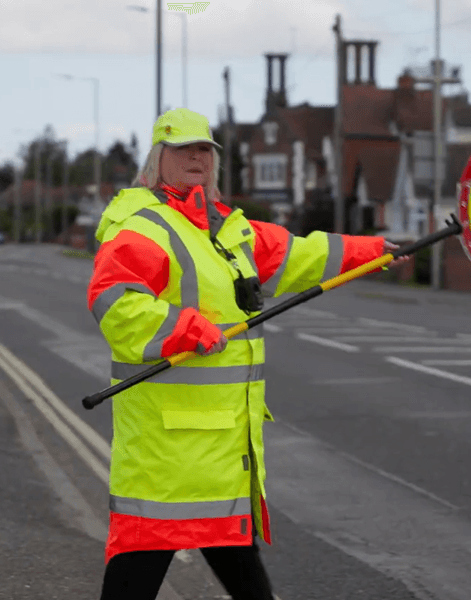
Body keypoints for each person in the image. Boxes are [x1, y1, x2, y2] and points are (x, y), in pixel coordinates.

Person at [87, 108, 407, 600]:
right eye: (184, 149)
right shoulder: (143, 227)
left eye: (205, 151)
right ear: (159, 158)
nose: (197, 158)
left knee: (233, 565)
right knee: (140, 569)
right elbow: (116, 304)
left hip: (221, 450)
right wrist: (186, 327)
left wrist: (375, 250)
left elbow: (302, 254)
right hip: (164, 451)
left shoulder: (229, 233)